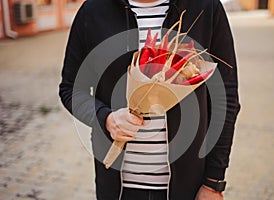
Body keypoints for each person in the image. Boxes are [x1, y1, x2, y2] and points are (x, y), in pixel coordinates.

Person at [59, 0, 240, 199]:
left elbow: (226, 98)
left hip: (188, 186)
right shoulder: (93, 10)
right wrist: (106, 118)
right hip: (117, 188)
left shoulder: (205, 7)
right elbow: (71, 89)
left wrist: (214, 183)